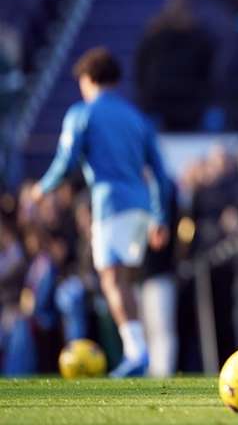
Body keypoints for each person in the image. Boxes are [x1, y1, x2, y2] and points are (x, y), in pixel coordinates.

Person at [30, 48, 171, 377]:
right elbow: (161, 174)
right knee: (124, 280)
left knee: (110, 279)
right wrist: (160, 217)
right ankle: (138, 350)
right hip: (139, 206)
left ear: (88, 79)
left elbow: (66, 161)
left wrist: (41, 188)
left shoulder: (84, 113)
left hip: (110, 204)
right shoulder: (137, 117)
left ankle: (137, 353)